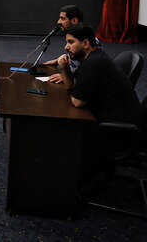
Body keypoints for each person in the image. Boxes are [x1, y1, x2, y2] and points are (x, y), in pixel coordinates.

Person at [54, 23, 141, 183]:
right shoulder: (95, 58)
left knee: (62, 128)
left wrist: (74, 90)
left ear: (86, 43)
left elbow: (77, 102)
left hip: (115, 130)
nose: (66, 47)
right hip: (119, 117)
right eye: (66, 42)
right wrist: (64, 68)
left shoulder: (93, 64)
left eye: (71, 42)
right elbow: (71, 85)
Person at [45, 5, 102, 83]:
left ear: (74, 20)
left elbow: (91, 70)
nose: (58, 22)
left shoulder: (92, 43)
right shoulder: (78, 38)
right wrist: (58, 60)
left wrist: (66, 76)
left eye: (62, 18)